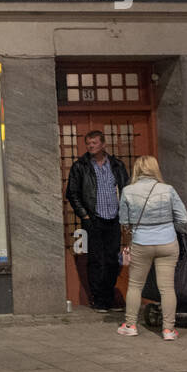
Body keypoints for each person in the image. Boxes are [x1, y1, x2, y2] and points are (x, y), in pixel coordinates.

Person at [116, 155, 187, 340]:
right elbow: (184, 218)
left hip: (141, 242)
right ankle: (168, 330)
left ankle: (130, 325)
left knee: (135, 285)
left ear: (137, 170)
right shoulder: (168, 190)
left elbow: (123, 221)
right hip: (167, 242)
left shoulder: (128, 190)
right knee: (166, 288)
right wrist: (166, 224)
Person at [65, 130, 131, 312]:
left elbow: (126, 190)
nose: (91, 146)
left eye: (94, 142)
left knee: (112, 260)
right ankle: (98, 299)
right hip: (94, 219)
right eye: (88, 143)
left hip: (114, 219)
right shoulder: (81, 166)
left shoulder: (116, 165)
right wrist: (85, 216)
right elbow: (72, 193)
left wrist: (125, 215)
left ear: (103, 144)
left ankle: (108, 297)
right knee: (96, 260)